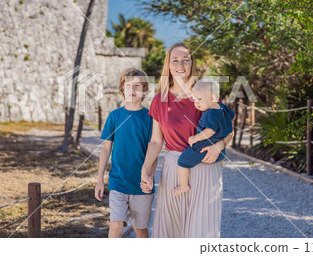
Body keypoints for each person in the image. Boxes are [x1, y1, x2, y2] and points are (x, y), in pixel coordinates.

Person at [140, 42, 234, 238]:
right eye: (175, 61)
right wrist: (145, 170)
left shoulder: (205, 93)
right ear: (168, 65)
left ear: (192, 63)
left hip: (207, 167)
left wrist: (220, 145)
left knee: (202, 231)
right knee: (171, 230)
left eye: (185, 60)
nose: (180, 65)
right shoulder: (159, 100)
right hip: (174, 167)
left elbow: (228, 130)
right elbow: (156, 142)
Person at [94, 68, 154, 238]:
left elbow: (153, 151)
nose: (132, 90)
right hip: (118, 180)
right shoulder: (115, 116)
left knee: (140, 230)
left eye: (137, 86)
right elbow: (106, 149)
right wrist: (100, 180)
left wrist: (149, 177)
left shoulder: (150, 118)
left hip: (142, 184)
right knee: (115, 227)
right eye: (128, 85)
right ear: (122, 89)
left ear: (144, 90)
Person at [173, 79, 235, 196]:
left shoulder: (210, 113)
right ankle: (219, 166)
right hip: (221, 152)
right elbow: (233, 115)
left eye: (200, 99)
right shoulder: (223, 108)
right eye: (195, 99)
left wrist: (195, 138)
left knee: (182, 162)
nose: (196, 103)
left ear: (212, 98)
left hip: (204, 147)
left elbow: (209, 131)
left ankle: (183, 186)